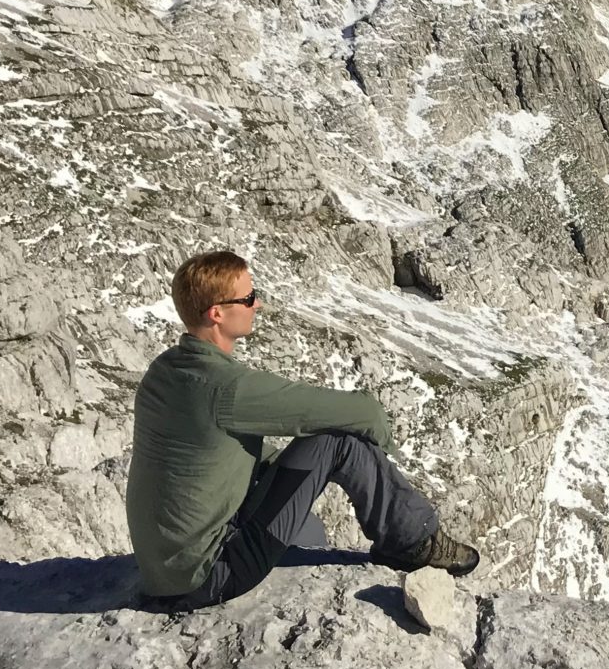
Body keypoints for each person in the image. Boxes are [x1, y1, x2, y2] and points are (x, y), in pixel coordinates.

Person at [127, 249, 478, 610]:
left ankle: (407, 534)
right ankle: (413, 543)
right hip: (210, 574)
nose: (257, 304)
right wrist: (380, 451)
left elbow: (219, 451)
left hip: (164, 573)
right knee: (338, 442)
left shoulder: (164, 372)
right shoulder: (226, 388)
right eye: (247, 298)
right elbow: (362, 412)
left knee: (309, 515)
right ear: (217, 313)